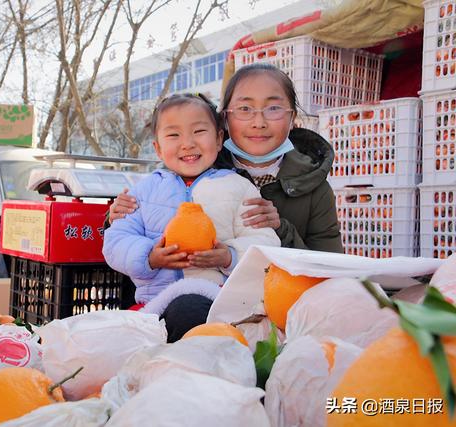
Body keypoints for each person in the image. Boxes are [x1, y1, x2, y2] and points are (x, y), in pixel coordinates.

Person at [109, 63, 343, 253]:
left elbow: (329, 266)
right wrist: (118, 214)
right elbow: (146, 217)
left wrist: (281, 228)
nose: (258, 122)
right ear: (224, 120)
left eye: (273, 108)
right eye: (244, 109)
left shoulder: (315, 187)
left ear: (293, 118)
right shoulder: (193, 165)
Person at [102, 93, 280, 341]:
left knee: (191, 315)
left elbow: (265, 243)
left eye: (199, 131)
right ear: (158, 147)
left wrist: (229, 256)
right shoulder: (142, 191)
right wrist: (149, 256)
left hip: (217, 302)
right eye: (174, 135)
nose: (187, 143)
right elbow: (116, 241)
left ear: (219, 140)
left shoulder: (239, 188)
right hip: (155, 303)